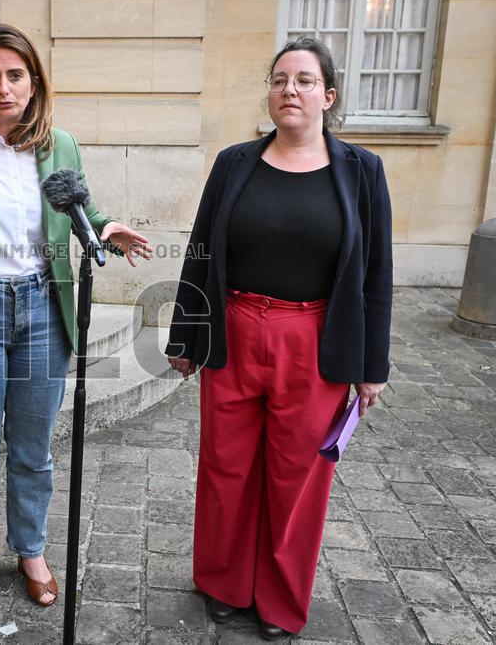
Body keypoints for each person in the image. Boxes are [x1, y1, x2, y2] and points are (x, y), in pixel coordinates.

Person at [0, 23, 152, 611]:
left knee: (33, 448)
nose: (4, 87)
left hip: (42, 309)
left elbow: (83, 210)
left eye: (16, 75)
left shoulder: (59, 145)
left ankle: (32, 550)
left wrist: (106, 228)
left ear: (34, 83)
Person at [165, 37, 392, 640]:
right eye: (280, 79)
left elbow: (376, 275)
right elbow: (202, 250)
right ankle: (222, 583)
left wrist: (373, 367)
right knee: (225, 466)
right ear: (269, 92)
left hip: (314, 343)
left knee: (298, 476)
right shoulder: (235, 163)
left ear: (328, 95)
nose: (290, 90)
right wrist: (185, 337)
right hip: (235, 330)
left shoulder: (361, 171)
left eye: (305, 80)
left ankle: (280, 599)